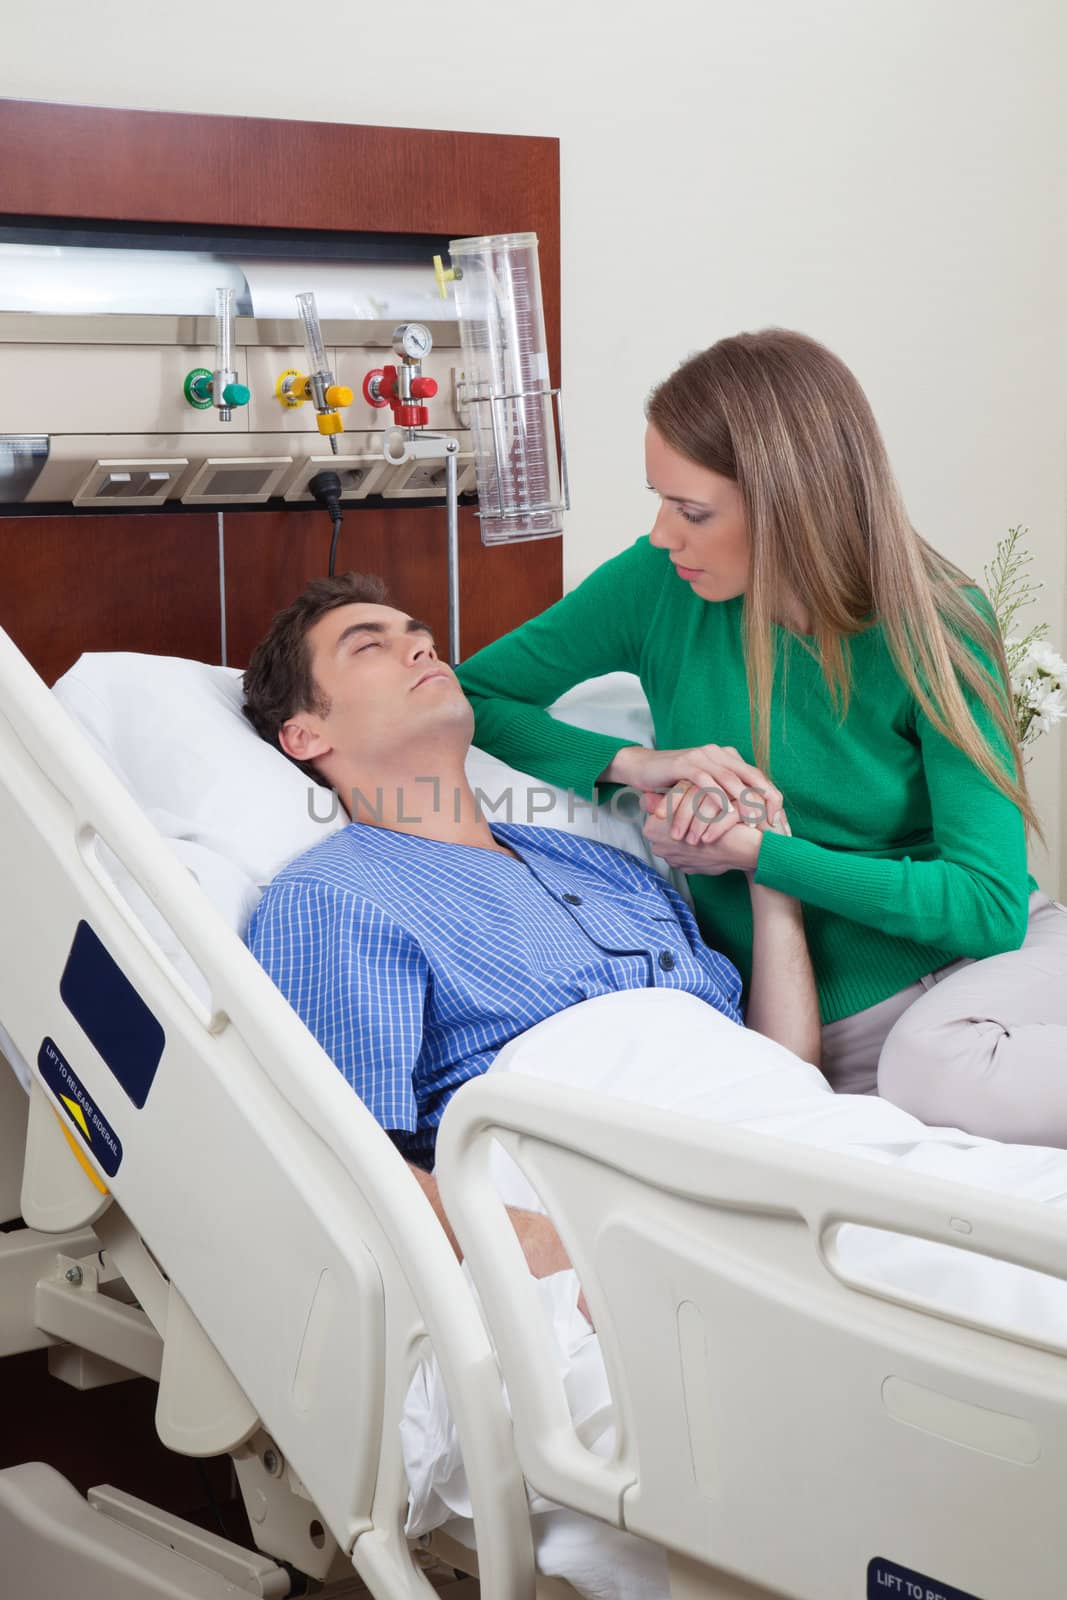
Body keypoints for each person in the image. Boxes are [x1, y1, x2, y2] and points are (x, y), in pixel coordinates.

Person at [455, 328, 1067, 1145]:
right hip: (838, 1032)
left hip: (1000, 978)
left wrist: (757, 854)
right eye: (659, 499)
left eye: (692, 510)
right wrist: (634, 764)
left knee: (931, 1064)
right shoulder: (655, 588)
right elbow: (471, 694)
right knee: (909, 1083)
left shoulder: (937, 624)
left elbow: (989, 909)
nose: (663, 535)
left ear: (791, 508)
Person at [240, 570, 818, 1287]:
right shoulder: (333, 897)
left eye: (421, 640)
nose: (422, 651)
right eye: (371, 647)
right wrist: (567, 1254)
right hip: (617, 1219)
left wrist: (774, 880)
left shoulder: (603, 865)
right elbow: (344, 1161)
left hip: (797, 1153)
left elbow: (781, 1071)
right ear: (303, 734)